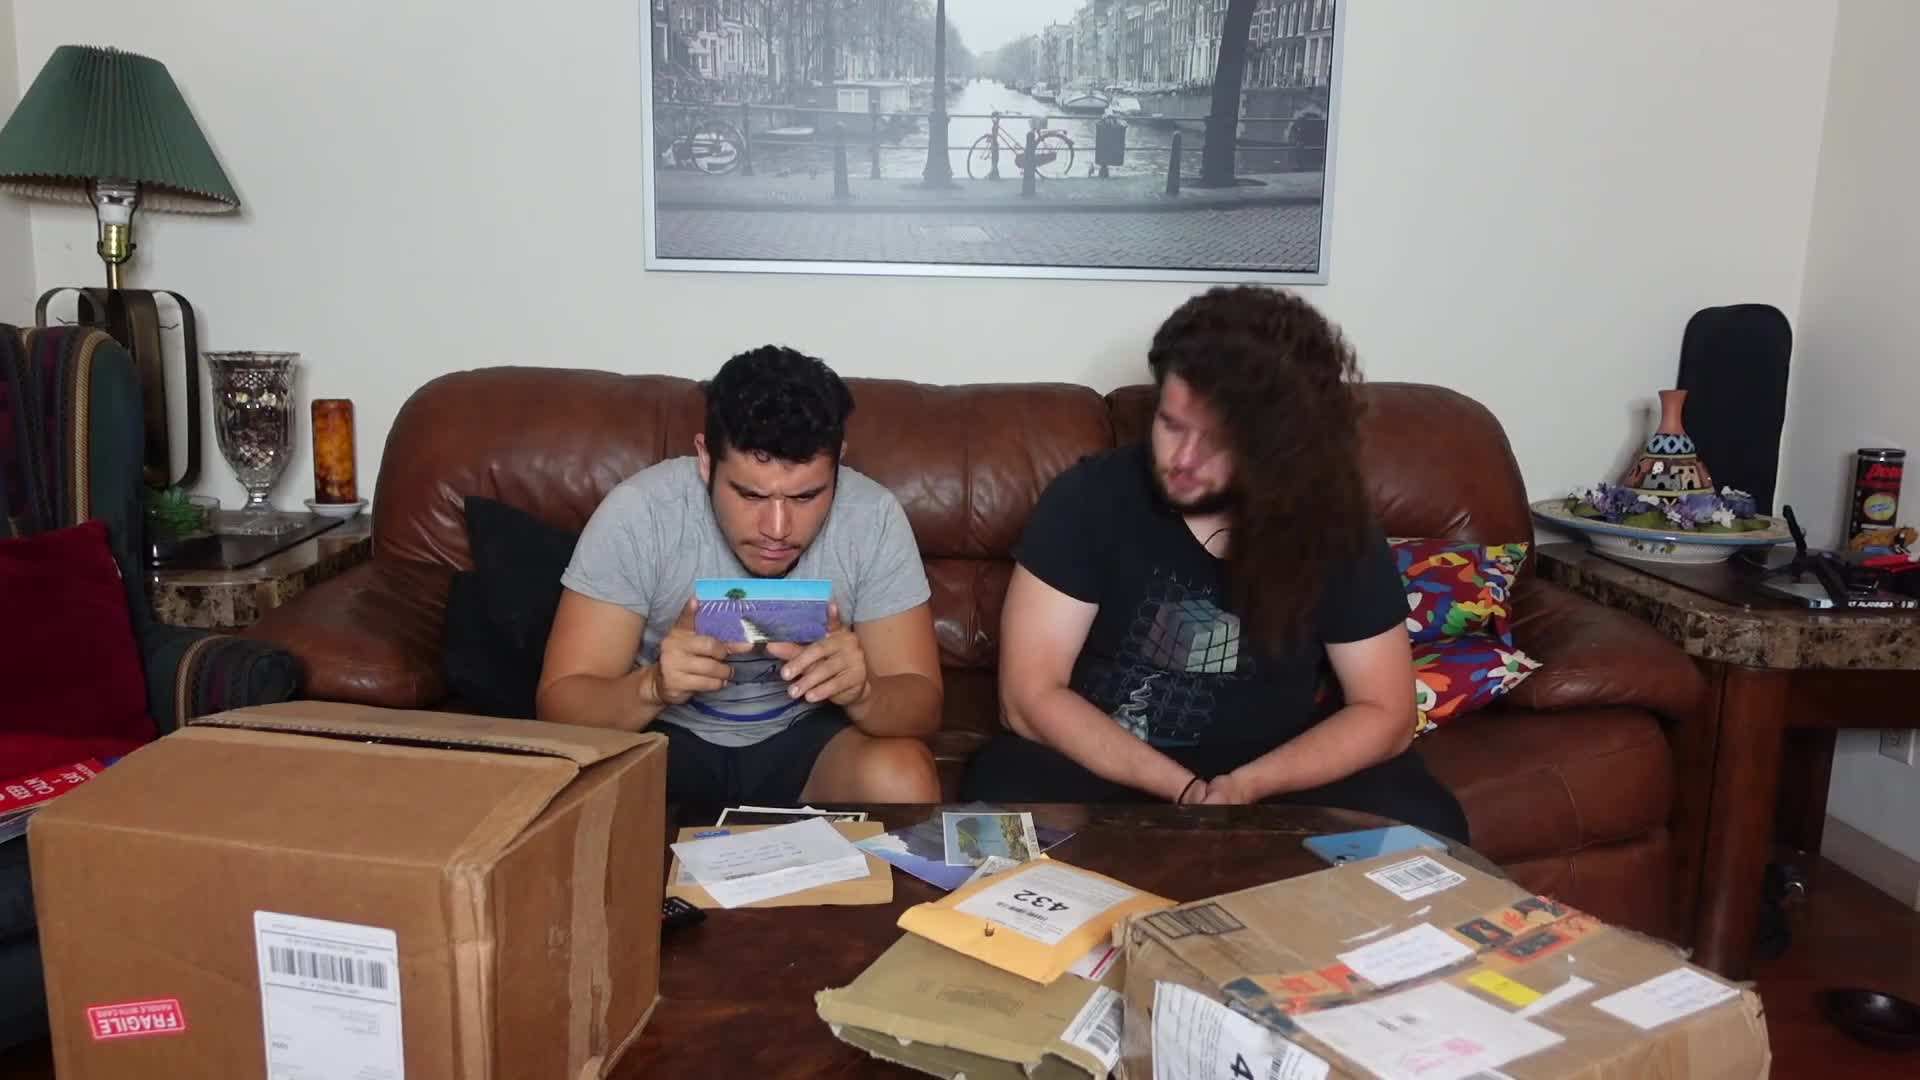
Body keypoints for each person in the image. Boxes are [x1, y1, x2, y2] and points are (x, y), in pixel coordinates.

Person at [962, 287, 1469, 842]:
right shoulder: (1089, 498)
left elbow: (1385, 711)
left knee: (1430, 824)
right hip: (1108, 760)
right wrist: (1182, 790)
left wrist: (1246, 787)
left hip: (1276, 768)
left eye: (1217, 441)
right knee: (998, 796)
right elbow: (1028, 697)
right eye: (1171, 425)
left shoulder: (1334, 520)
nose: (1181, 460)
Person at [537, 346, 943, 805]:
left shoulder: (873, 515)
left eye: (806, 497)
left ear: (838, 464)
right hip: (664, 736)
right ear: (705, 460)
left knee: (903, 778)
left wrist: (864, 693)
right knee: (578, 794)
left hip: (808, 738)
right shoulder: (640, 512)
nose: (777, 529)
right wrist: (652, 687)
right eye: (750, 495)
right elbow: (560, 706)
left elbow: (923, 706)